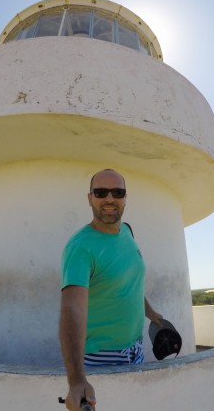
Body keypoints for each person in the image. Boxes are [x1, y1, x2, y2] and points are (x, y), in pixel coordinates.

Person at [59, 169, 163, 411]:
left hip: (136, 349)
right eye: (100, 192)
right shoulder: (81, 247)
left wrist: (151, 313)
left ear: (125, 198)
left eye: (117, 192)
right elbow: (71, 311)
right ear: (90, 198)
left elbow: (130, 282)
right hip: (101, 359)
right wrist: (76, 381)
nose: (109, 199)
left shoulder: (127, 231)